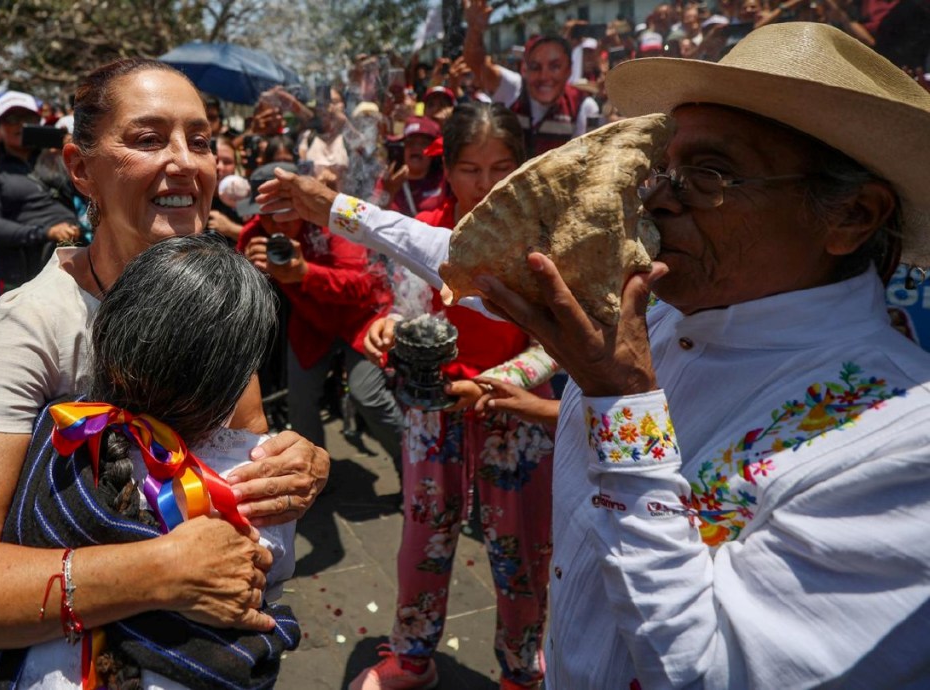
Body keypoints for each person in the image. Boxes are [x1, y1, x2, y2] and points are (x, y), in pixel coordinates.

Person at [256, 22, 930, 687]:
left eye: (709, 175)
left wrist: (622, 405)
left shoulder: (901, 449)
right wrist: (337, 208)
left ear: (850, 216)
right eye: (662, 170)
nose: (659, 198)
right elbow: (476, 262)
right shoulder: (660, 300)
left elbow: (711, 672)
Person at [0, 57, 328, 671]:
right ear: (81, 169)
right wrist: (157, 570)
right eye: (148, 140)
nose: (185, 161)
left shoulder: (213, 297)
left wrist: (297, 468)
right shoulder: (36, 321)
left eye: (201, 140)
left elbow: (243, 460)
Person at [0, 233, 301, 687]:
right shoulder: (260, 477)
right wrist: (162, 569)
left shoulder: (62, 434)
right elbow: (274, 574)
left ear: (104, 339)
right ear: (234, 381)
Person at [348, 103, 558, 690]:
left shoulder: (540, 239)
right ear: (448, 167)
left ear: (523, 165)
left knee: (522, 549)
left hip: (513, 413)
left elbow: (556, 345)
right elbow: (400, 310)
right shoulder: (422, 228)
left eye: (501, 166)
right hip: (432, 408)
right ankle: (412, 658)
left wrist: (494, 385)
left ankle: (521, 668)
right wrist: (386, 326)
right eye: (470, 168)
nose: (485, 184)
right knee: (424, 534)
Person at [237, 161, 405, 468]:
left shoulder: (333, 225)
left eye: (285, 215)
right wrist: (248, 270)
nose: (277, 226)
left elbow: (364, 286)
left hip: (364, 320)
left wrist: (304, 273)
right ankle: (310, 474)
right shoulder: (256, 236)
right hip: (312, 322)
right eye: (268, 216)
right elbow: (239, 288)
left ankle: (411, 467)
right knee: (300, 403)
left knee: (367, 396)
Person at [0, 90, 82, 288]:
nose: (21, 124)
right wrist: (45, 233)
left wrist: (76, 157)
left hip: (72, 263)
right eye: (12, 119)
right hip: (21, 273)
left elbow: (93, 192)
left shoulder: (58, 157)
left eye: (28, 117)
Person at [463, 0, 600, 157]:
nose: (545, 77)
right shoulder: (513, 88)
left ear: (569, 70)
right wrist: (474, 30)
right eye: (535, 67)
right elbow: (477, 65)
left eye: (555, 67)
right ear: (524, 69)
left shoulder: (583, 105)